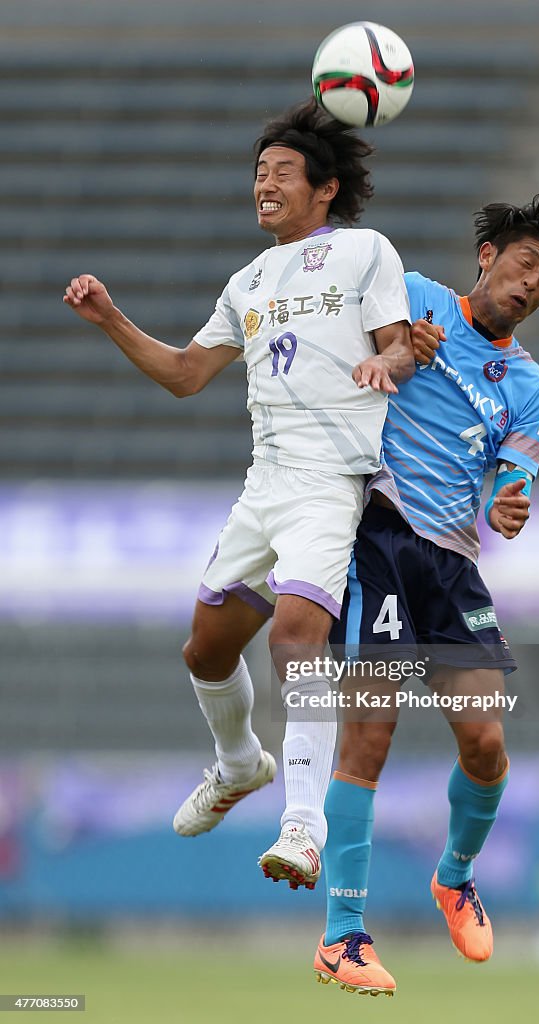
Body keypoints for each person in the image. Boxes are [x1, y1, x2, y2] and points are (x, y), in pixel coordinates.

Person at [63, 98, 413, 891]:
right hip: (266, 485)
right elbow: (187, 375)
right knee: (205, 649)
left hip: (332, 482)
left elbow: (396, 343)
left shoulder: (363, 251)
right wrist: (110, 317)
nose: (264, 184)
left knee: (295, 639)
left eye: (282, 172)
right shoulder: (248, 281)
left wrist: (387, 364)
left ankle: (302, 827)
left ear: (323, 189)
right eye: (258, 173)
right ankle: (236, 763)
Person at [313, 195, 539, 995]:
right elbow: (347, 365)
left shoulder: (533, 386)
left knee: (487, 743)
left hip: (453, 565)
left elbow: (512, 482)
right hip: (380, 537)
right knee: (369, 733)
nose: (532, 282)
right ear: (485, 255)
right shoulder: (413, 296)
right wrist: (401, 350)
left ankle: (454, 876)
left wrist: (511, 502)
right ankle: (342, 935)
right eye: (525, 263)